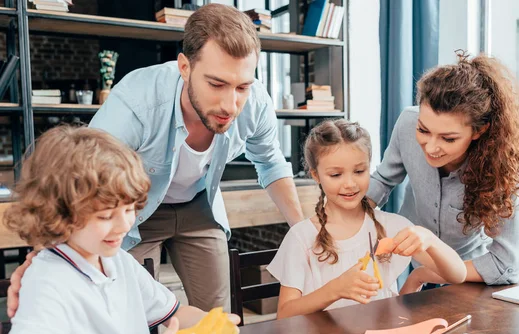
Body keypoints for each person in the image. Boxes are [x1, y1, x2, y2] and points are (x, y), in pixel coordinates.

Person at [6, 3, 304, 315]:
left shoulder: (255, 104)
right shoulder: (136, 103)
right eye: (216, 84)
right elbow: (77, 176)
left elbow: (270, 163)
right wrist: (41, 259)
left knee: (218, 316)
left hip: (199, 205)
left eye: (242, 86)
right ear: (185, 67)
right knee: (127, 313)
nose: (231, 104)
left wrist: (302, 231)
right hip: (135, 212)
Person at [0, 126, 240, 334]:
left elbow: (176, 314)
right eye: (105, 216)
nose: (125, 224)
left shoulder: (120, 262)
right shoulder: (48, 280)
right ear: (60, 213)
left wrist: (213, 325)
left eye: (129, 210)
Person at [367, 51, 519, 292]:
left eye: (448, 139)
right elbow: (382, 181)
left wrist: (424, 274)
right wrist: (339, 221)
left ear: (479, 131)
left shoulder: (502, 168)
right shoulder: (407, 123)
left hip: (469, 274)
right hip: (408, 262)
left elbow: (507, 265)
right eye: (424, 130)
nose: (430, 147)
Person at [267, 120, 467, 319]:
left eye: (360, 171)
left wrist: (429, 240)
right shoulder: (302, 237)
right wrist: (334, 289)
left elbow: (457, 275)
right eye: (336, 174)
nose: (350, 184)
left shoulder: (393, 226)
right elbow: (285, 315)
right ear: (316, 175)